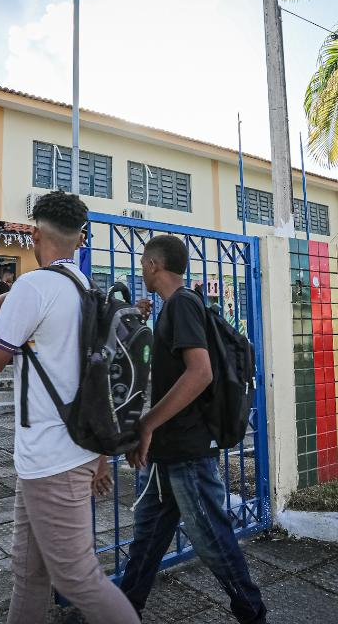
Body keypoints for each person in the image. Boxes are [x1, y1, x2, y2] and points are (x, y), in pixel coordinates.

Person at [0, 191, 138, 624]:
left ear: (32, 235)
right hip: (66, 452)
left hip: (51, 460)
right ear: (81, 239)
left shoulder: (32, 288)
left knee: (79, 579)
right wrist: (99, 456)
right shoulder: (86, 289)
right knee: (28, 574)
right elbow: (93, 379)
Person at [120, 235, 267, 624]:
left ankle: (253, 614)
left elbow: (199, 373)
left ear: (153, 265)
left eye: (142, 263)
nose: (140, 270)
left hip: (187, 452)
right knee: (147, 540)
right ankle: (120, 612)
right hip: (169, 453)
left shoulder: (182, 303)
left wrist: (147, 423)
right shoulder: (176, 306)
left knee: (214, 541)